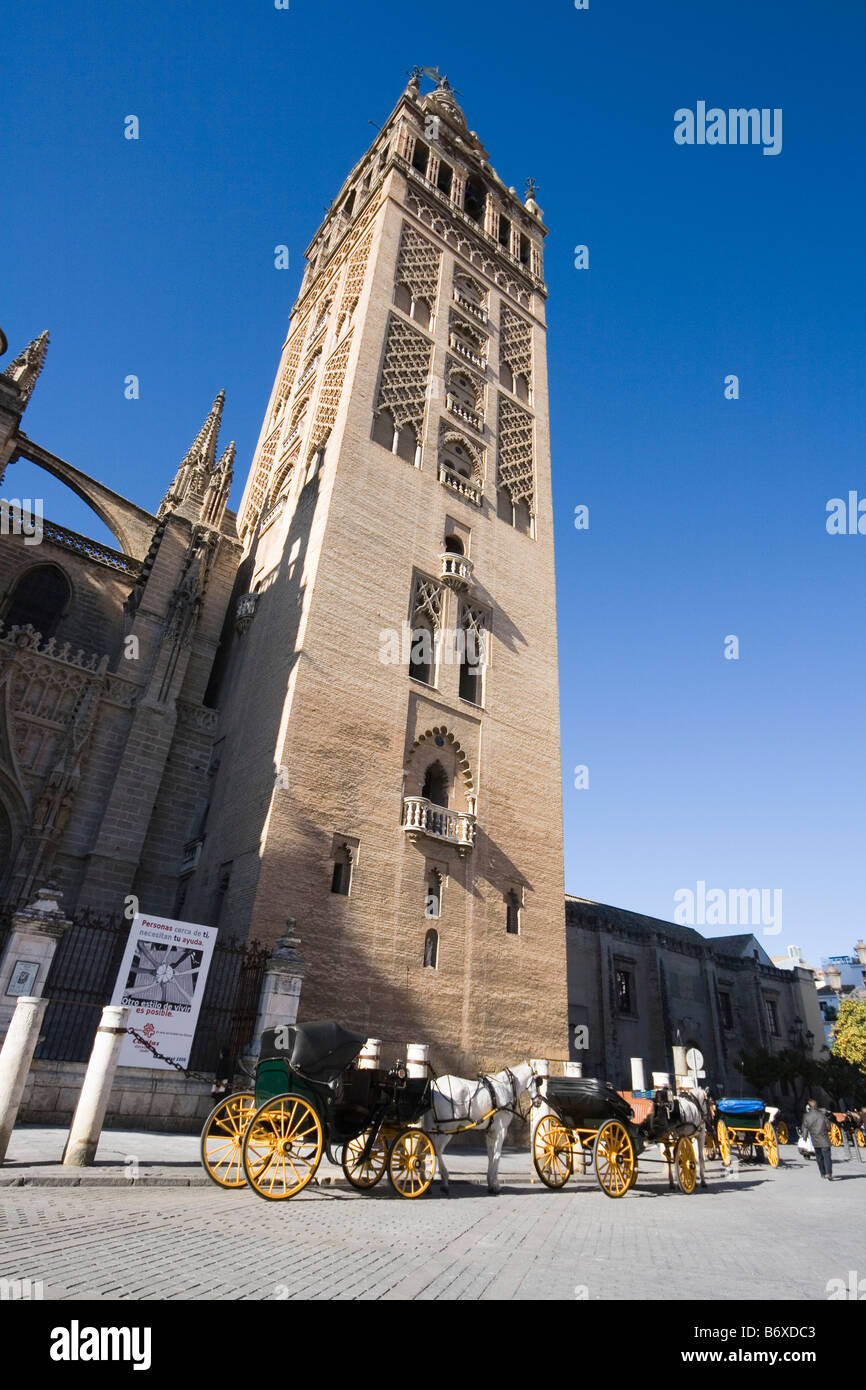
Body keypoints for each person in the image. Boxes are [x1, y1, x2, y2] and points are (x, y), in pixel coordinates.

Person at [801, 1099, 833, 1180]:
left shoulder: (806, 1116)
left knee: (819, 1157)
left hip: (815, 1139)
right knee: (827, 1157)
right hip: (824, 1138)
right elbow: (829, 1126)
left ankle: (822, 1173)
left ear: (809, 1107)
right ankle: (829, 1173)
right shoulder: (822, 1114)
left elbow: (804, 1128)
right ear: (816, 1106)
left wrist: (804, 1137)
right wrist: (826, 1130)